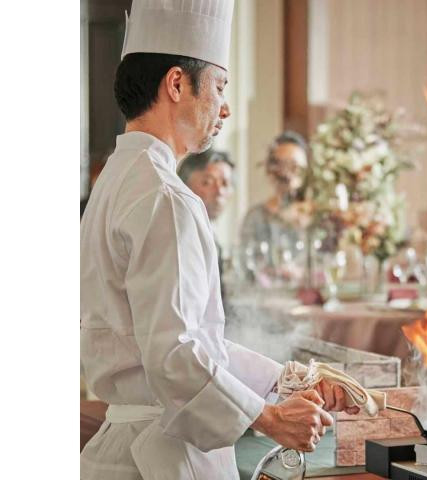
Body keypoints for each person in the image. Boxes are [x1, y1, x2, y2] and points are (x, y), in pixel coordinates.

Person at [80, 2, 357, 479]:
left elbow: (188, 339)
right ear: (176, 84)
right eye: (220, 86)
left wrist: (288, 380)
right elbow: (175, 357)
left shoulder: (116, 177)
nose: (224, 107)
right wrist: (270, 419)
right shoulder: (165, 197)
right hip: (160, 455)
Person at [240, 131, 308, 274]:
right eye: (281, 165)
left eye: (294, 166)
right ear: (269, 170)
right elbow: (246, 265)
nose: (287, 174)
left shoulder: (318, 216)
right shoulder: (255, 217)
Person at [178, 148, 234, 298]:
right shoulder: (180, 237)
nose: (219, 191)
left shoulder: (211, 236)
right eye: (207, 182)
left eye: (225, 183)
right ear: (183, 186)